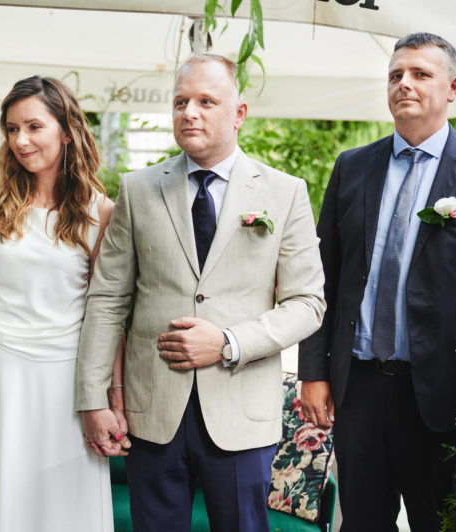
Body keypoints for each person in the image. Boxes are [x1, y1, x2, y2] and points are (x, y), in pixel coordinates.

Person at [76, 53, 326, 532]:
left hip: (240, 413)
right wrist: (93, 398)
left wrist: (228, 342)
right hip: (152, 414)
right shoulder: (137, 190)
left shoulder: (284, 192)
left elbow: (307, 303)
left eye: (206, 102)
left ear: (239, 113)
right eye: (180, 102)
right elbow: (107, 299)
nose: (189, 112)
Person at [298, 33, 456, 531]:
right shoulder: (352, 166)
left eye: (420, 74)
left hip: (443, 396)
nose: (404, 84)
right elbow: (321, 278)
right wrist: (314, 371)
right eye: (395, 75)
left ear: (453, 88)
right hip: (358, 390)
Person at [0, 75, 123, 532]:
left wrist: (112, 398)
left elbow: (107, 314)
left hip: (64, 384)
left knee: (59, 511)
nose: (20, 140)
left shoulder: (101, 212)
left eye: (34, 127)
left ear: (66, 130)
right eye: (12, 129)